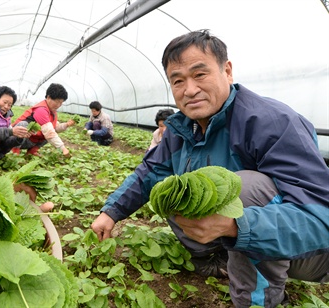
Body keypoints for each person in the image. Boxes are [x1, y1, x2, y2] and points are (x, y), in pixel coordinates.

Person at [90, 29, 329, 308]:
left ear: (227, 71)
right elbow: (150, 172)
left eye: (200, 74)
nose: (189, 90)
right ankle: (213, 261)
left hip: (312, 252)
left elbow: (321, 220)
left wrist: (235, 226)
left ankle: (260, 301)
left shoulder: (270, 122)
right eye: (178, 81)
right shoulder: (181, 129)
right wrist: (111, 212)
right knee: (173, 190)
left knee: (245, 188)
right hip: (250, 237)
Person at [11, 83, 75, 157]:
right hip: (15, 139)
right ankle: (14, 152)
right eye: (57, 102)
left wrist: (66, 125)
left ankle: (32, 151)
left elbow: (55, 127)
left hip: (30, 139)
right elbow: (49, 131)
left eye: (61, 103)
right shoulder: (41, 110)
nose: (58, 105)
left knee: (49, 133)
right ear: (48, 97)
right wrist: (63, 149)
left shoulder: (52, 111)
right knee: (24, 125)